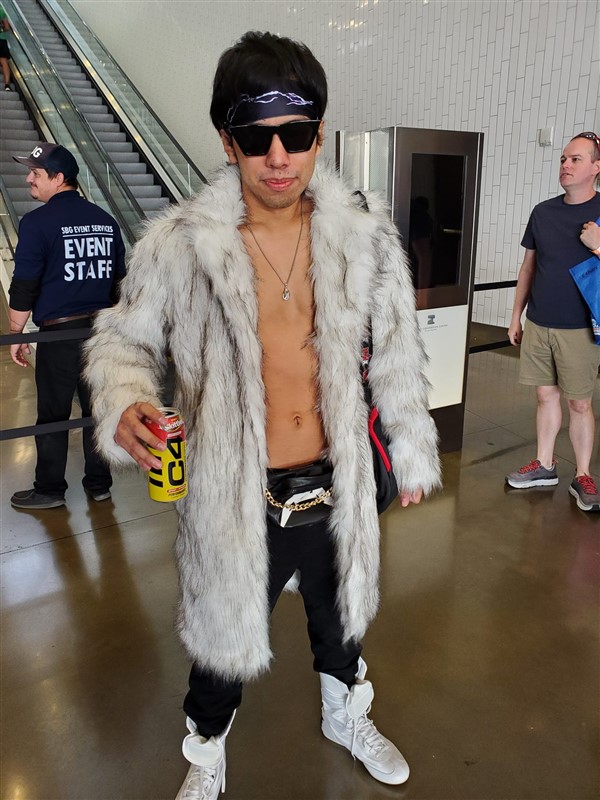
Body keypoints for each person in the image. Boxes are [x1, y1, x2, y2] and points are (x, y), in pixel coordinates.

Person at [84, 31, 441, 800]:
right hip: (233, 494)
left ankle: (346, 715)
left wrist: (411, 449)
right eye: (256, 137)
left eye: (297, 134)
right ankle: (207, 751)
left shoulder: (363, 237)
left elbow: (397, 349)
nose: (278, 157)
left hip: (338, 485)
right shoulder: (180, 246)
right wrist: (124, 403)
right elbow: (120, 341)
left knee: (341, 623)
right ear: (228, 140)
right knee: (219, 649)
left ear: (319, 133)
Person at [8, 142, 126, 510]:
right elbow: (120, 283)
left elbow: (24, 283)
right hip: (102, 333)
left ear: (59, 178)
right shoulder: (106, 222)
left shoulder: (36, 223)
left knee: (53, 414)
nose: (29, 179)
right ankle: (99, 484)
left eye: (36, 173)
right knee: (97, 411)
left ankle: (49, 490)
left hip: (59, 336)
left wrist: (15, 333)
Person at [506, 131, 600, 512]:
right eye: (563, 159)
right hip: (540, 323)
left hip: (581, 328)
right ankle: (544, 464)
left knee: (579, 403)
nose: (565, 165)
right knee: (545, 396)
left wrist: (597, 244)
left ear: (596, 167)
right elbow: (528, 267)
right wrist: (516, 316)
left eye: (575, 159)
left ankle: (583, 474)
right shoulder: (543, 213)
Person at [0, 3, 12, 91]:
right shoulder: (1, 11)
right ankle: (7, 85)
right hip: (1, 39)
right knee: (4, 61)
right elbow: (7, 27)